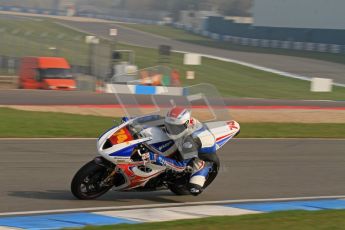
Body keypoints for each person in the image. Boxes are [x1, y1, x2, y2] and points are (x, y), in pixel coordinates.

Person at [145, 107, 219, 196]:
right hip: (184, 141)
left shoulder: (189, 142)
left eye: (176, 128)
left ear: (185, 124)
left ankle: (202, 171)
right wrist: (130, 121)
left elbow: (180, 166)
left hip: (201, 156)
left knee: (194, 189)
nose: (172, 130)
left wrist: (158, 158)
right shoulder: (178, 122)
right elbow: (153, 118)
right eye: (169, 126)